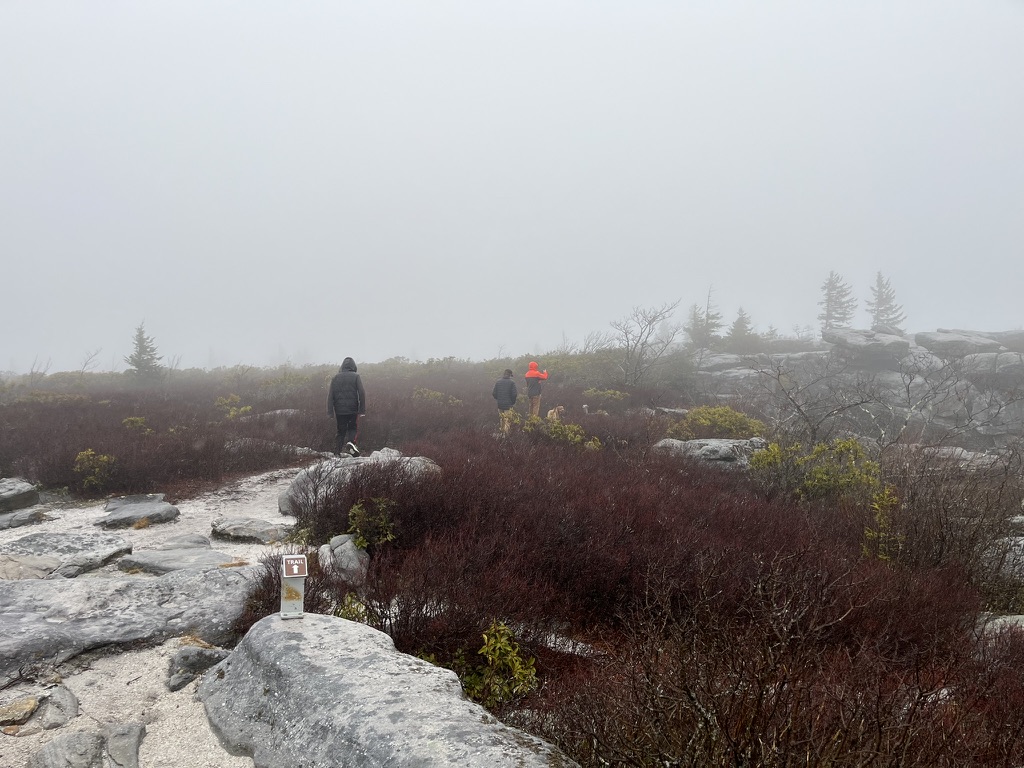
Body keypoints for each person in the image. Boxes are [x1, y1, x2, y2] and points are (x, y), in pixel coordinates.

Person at [327, 357, 366, 456]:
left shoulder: (335, 377)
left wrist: (330, 412)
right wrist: (362, 410)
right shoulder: (356, 376)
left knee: (340, 431)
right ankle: (351, 443)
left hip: (339, 410)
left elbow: (330, 395)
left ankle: (337, 452)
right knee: (352, 428)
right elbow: (361, 393)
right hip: (353, 409)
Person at [492, 368, 518, 435]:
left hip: (500, 404)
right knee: (507, 420)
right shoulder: (512, 382)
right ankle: (506, 435)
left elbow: (494, 393)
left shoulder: (498, 382)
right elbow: (514, 394)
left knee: (502, 419)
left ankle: (501, 432)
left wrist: (498, 399)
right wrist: (512, 402)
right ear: (510, 375)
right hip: (508, 405)